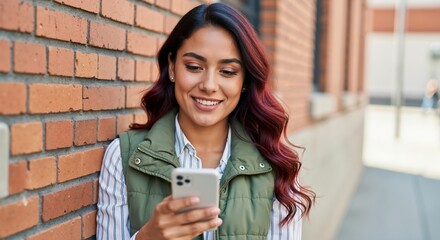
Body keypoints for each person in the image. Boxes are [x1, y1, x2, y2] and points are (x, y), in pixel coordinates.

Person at [97, 3, 315, 240]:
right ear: (172, 66)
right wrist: (149, 236)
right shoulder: (123, 156)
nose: (209, 85)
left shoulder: (276, 164)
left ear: (244, 81)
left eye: (228, 71)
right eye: (194, 67)